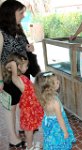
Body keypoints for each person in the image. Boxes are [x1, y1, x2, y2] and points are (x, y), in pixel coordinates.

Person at [0, 0, 40, 148]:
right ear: (10, 14)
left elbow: (23, 46)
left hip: (23, 73)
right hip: (9, 76)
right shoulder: (1, 33)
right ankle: (12, 137)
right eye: (21, 13)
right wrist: (0, 81)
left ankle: (24, 126)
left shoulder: (17, 28)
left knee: (23, 102)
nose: (24, 15)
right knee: (11, 106)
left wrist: (29, 48)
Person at [3, 53, 44, 150]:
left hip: (32, 107)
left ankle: (31, 144)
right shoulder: (16, 79)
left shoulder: (23, 77)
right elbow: (9, 65)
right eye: (25, 65)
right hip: (28, 110)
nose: (27, 67)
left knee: (31, 128)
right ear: (18, 67)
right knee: (29, 130)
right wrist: (14, 63)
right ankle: (29, 147)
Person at [34, 71, 76, 150]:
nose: (59, 82)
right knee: (60, 143)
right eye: (56, 82)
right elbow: (60, 119)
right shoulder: (55, 102)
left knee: (51, 142)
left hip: (49, 125)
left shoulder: (43, 97)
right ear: (50, 88)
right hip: (57, 127)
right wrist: (65, 132)